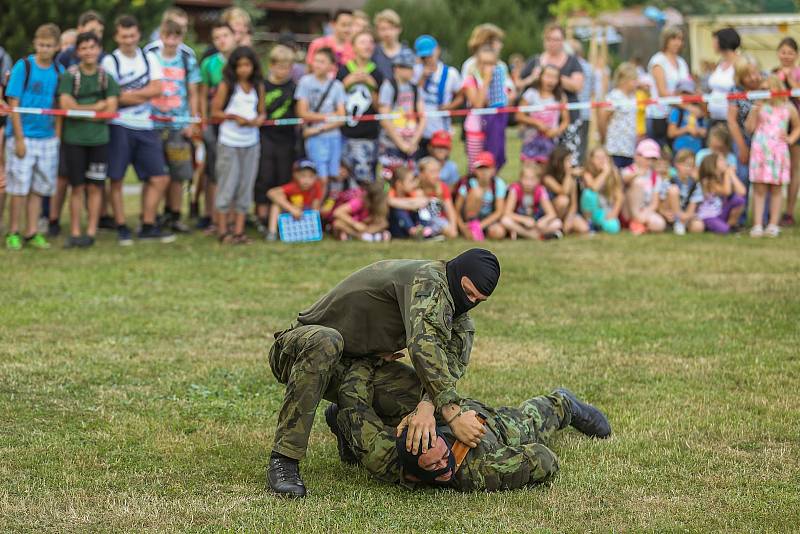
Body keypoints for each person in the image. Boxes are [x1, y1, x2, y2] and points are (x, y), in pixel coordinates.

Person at [266, 248, 501, 497]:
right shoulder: (429, 280)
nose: (470, 303)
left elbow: (449, 369)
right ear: (456, 273)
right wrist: (452, 415)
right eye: (467, 293)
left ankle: (345, 421)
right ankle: (284, 459)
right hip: (300, 354)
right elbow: (424, 346)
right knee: (327, 341)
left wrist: (426, 407)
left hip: (356, 362)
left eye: (478, 300)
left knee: (416, 399)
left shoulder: (461, 321)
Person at [326, 358, 611, 492]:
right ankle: (342, 425)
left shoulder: (379, 451)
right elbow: (543, 459)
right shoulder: (478, 471)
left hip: (470, 419)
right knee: (345, 414)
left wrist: (375, 359)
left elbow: (355, 406)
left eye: (443, 452)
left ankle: (564, 402)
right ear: (414, 476)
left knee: (528, 421)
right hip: (489, 441)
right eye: (435, 466)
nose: (446, 464)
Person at [101, 15, 174, 244]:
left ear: (138, 35)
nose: (129, 40)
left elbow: (157, 89)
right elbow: (112, 97)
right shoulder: (110, 61)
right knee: (117, 178)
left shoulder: (149, 57)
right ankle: (121, 225)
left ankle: (148, 224)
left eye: (132, 35)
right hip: (119, 125)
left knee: (159, 177)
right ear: (117, 37)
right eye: (124, 36)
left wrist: (127, 96)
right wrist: (141, 93)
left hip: (145, 125)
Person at [57, 31, 120, 248]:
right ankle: (75, 231)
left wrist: (81, 109)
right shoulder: (69, 76)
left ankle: (91, 232)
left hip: (99, 141)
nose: (88, 52)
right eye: (83, 48)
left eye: (92, 47)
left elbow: (111, 109)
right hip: (74, 140)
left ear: (99, 50)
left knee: (96, 187)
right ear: (77, 51)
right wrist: (95, 108)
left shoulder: (106, 77)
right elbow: (66, 106)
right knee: (76, 187)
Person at [4, 24, 63, 251]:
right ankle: (14, 231)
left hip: (47, 138)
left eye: (49, 45)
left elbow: (58, 105)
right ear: (34, 43)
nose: (44, 49)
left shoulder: (59, 71)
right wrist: (18, 138)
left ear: (57, 47)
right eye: (41, 44)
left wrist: (56, 135)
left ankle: (32, 231)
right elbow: (14, 104)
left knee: (40, 187)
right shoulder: (24, 66)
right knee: (19, 187)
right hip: (24, 136)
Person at [150, 19, 201, 234]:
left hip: (179, 124)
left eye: (176, 37)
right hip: (153, 122)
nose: (171, 41)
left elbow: (193, 91)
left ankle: (175, 214)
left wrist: (192, 120)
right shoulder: (151, 55)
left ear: (181, 38)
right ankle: (155, 214)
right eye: (167, 36)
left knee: (178, 172)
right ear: (161, 35)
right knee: (156, 171)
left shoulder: (187, 58)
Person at [210, 46, 265, 244]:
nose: (244, 69)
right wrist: (234, 117)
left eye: (247, 65)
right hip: (230, 141)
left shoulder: (257, 86)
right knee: (227, 184)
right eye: (240, 65)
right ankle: (224, 230)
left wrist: (257, 120)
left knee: (245, 185)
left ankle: (239, 230)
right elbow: (215, 111)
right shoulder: (227, 85)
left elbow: (261, 111)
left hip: (251, 142)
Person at [520, 23, 585, 162]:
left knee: (567, 161)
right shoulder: (535, 61)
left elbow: (578, 86)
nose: (553, 43)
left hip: (567, 121)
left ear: (563, 41)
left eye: (557, 39)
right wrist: (534, 77)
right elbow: (520, 83)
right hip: (538, 126)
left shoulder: (572, 61)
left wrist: (552, 75)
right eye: (549, 39)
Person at [746, 74, 800, 238]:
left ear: (777, 88)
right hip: (760, 150)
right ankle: (757, 225)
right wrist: (755, 110)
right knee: (759, 189)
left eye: (768, 88)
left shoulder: (788, 107)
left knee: (777, 189)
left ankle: (773, 224)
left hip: (778, 152)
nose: (765, 92)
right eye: (762, 89)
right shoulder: (758, 106)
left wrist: (790, 139)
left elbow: (797, 126)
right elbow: (749, 128)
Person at [198, 21, 237, 233]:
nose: (222, 40)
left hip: (238, 126)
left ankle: (233, 218)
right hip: (215, 125)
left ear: (234, 36)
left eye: (225, 35)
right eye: (217, 37)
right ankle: (214, 218)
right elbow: (203, 95)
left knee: (235, 172)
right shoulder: (209, 63)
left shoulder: (242, 60)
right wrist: (203, 122)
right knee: (214, 173)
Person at [255, 45, 297, 232]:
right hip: (266, 137)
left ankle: (279, 216)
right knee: (265, 175)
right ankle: (261, 216)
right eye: (280, 66)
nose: (284, 71)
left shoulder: (294, 87)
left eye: (287, 67)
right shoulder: (263, 85)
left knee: (283, 176)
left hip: (287, 138)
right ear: (271, 65)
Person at [296, 47, 346, 195]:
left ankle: (326, 211)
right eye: (316, 61)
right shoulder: (305, 82)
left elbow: (342, 117)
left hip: (332, 136)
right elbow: (303, 113)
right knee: (320, 177)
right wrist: (330, 116)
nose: (317, 65)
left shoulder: (337, 86)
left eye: (322, 62)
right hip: (315, 139)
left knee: (333, 175)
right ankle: (315, 211)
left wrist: (320, 127)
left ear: (332, 66)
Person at [337, 31, 383, 184]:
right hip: (344, 134)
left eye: (370, 42)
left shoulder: (377, 72)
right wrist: (346, 83)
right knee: (342, 177)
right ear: (354, 47)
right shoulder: (343, 70)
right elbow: (334, 100)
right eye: (363, 42)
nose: (367, 46)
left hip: (368, 136)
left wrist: (372, 86)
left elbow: (380, 107)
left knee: (365, 180)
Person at [377, 49, 426, 177]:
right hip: (391, 144)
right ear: (397, 68)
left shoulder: (415, 88)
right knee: (390, 178)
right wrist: (401, 144)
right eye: (408, 67)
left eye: (412, 67)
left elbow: (423, 117)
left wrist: (414, 142)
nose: (412, 71)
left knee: (410, 179)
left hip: (411, 143)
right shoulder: (389, 86)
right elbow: (384, 118)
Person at [413, 35, 463, 154]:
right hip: (419, 130)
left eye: (430, 55)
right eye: (424, 57)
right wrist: (422, 79)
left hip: (441, 129)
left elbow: (461, 96)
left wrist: (449, 106)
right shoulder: (414, 72)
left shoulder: (451, 73)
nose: (428, 59)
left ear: (437, 50)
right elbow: (410, 96)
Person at [727, 55, 761, 225]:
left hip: (764, 141)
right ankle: (740, 218)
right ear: (740, 77)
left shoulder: (766, 86)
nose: (753, 78)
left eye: (755, 73)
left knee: (764, 179)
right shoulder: (735, 90)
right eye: (748, 75)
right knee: (742, 176)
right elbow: (732, 121)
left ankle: (765, 218)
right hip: (743, 138)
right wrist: (741, 147)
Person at [646, 26, 691, 147]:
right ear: (666, 40)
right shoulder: (658, 61)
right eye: (674, 39)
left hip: (678, 114)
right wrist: (687, 106)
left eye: (680, 39)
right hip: (660, 114)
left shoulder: (681, 62)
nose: (678, 42)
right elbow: (662, 92)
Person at [516, 64, 568, 164]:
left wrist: (556, 131)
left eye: (554, 77)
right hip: (531, 139)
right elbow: (519, 116)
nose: (551, 80)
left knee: (546, 169)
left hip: (550, 140)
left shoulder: (560, 97)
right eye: (548, 76)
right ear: (541, 76)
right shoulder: (531, 93)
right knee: (530, 169)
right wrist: (537, 123)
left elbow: (565, 121)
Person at [775, 37, 800, 226]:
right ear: (778, 54)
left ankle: (789, 212)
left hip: (796, 122)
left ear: (796, 55)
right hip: (776, 124)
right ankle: (772, 210)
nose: (786, 56)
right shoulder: (773, 74)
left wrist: (791, 80)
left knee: (794, 168)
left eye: (790, 52)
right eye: (783, 52)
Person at [454, 151, 507, 241]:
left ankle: (478, 230)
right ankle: (472, 227)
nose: (483, 172)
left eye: (487, 168)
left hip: (487, 220)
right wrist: (462, 227)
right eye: (480, 168)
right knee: (477, 192)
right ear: (475, 170)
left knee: (499, 233)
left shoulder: (498, 184)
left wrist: (481, 226)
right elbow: (456, 210)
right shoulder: (468, 183)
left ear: (493, 170)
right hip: (468, 220)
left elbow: (499, 211)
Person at [502, 162, 563, 239]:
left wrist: (543, 221)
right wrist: (523, 219)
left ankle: (521, 234)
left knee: (557, 223)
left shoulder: (540, 190)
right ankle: (532, 235)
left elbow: (552, 214)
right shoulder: (515, 190)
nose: (528, 183)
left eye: (532, 179)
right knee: (505, 220)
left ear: (538, 180)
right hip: (520, 221)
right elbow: (507, 213)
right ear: (520, 178)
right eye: (526, 179)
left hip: (535, 222)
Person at [266, 159, 323, 241]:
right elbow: (271, 192)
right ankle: (272, 232)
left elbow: (315, 206)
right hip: (291, 214)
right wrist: (291, 209)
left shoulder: (316, 187)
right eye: (303, 176)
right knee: (276, 204)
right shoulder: (293, 187)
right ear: (296, 175)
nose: (307, 180)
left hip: (306, 215)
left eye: (311, 176)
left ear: (315, 177)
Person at [621, 139, 666, 235]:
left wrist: (645, 213)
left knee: (660, 224)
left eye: (653, 159)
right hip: (628, 211)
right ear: (637, 156)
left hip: (644, 210)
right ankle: (637, 221)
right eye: (647, 158)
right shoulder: (628, 170)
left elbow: (654, 203)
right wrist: (637, 174)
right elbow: (624, 179)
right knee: (637, 183)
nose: (649, 162)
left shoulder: (655, 177)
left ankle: (638, 223)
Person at [542, 145, 589, 235]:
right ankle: (556, 226)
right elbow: (564, 191)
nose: (570, 163)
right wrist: (569, 173)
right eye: (567, 160)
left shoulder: (571, 179)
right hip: (553, 211)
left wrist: (569, 218)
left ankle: (564, 227)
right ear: (558, 162)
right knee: (563, 200)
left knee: (584, 228)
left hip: (567, 213)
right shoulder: (548, 178)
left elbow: (573, 203)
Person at [599, 62, 638, 169]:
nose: (636, 83)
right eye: (633, 80)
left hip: (629, 148)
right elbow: (603, 118)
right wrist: (604, 138)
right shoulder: (614, 96)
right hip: (615, 147)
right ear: (624, 80)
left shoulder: (633, 97)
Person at [657, 149, 704, 235]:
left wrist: (685, 216)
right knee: (673, 189)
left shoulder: (695, 185)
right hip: (669, 214)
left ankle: (681, 224)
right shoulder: (669, 181)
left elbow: (691, 208)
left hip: (685, 215)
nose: (688, 168)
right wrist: (664, 213)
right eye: (685, 165)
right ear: (677, 165)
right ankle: (677, 224)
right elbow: (660, 204)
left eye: (691, 166)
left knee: (698, 227)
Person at [697, 152, 745, 235]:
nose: (725, 162)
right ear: (712, 164)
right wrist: (727, 173)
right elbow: (726, 192)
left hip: (720, 212)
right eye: (721, 160)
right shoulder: (708, 181)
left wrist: (732, 175)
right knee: (724, 230)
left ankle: (731, 225)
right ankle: (724, 228)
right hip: (709, 216)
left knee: (739, 200)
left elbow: (742, 192)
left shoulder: (723, 178)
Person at [580, 147, 623, 235]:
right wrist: (605, 173)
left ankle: (599, 226)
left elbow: (619, 197)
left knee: (613, 227)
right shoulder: (587, 173)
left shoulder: (614, 173)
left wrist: (614, 213)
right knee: (589, 194)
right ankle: (590, 224)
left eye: (604, 157)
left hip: (606, 210)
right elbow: (594, 188)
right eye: (598, 158)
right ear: (591, 160)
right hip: (592, 211)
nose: (601, 160)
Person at [707, 28, 741, 129]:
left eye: (715, 41)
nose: (712, 44)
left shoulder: (740, 63)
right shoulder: (720, 64)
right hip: (714, 118)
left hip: (731, 120)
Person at [417, 156, 457, 239]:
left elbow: (450, 209)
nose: (436, 175)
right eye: (432, 172)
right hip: (420, 220)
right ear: (422, 174)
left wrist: (453, 227)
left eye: (437, 172)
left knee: (448, 230)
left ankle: (431, 233)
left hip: (438, 220)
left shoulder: (442, 187)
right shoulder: (417, 187)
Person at [387, 166, 432, 239]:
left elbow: (424, 201)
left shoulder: (411, 193)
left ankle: (425, 228)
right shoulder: (391, 193)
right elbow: (390, 201)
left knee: (421, 209)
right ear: (399, 184)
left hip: (409, 224)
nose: (414, 184)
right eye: (411, 181)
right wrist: (411, 204)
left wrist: (410, 204)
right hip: (397, 228)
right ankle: (413, 231)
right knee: (398, 209)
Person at [667, 79, 707, 154]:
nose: (685, 96)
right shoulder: (677, 111)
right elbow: (671, 133)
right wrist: (687, 129)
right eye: (683, 93)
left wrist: (698, 131)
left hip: (697, 150)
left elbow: (705, 131)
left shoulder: (699, 111)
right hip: (680, 150)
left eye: (688, 93)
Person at [372, 9, 412, 80]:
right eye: (383, 29)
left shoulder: (407, 53)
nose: (387, 33)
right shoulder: (373, 51)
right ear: (377, 31)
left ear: (399, 29)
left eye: (391, 28)